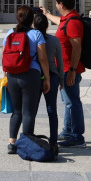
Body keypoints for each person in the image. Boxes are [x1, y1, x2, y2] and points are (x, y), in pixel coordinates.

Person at [4, 5, 51, 155]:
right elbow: (43, 59)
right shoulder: (36, 34)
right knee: (28, 112)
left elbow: (4, 57)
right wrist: (47, 79)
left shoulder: (9, 33)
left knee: (16, 111)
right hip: (31, 75)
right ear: (32, 19)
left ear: (17, 18)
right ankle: (26, 142)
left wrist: (6, 76)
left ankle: (12, 143)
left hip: (12, 75)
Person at [55, 0, 87, 148]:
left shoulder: (73, 21)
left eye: (56, 3)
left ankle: (77, 136)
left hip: (69, 69)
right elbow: (59, 22)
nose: (56, 5)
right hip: (65, 68)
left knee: (73, 102)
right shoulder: (66, 19)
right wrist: (46, 14)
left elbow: (77, 47)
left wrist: (73, 71)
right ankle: (67, 131)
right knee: (67, 102)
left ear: (61, 4)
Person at [33, 10, 63, 160]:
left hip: (35, 78)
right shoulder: (54, 40)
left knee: (31, 111)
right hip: (52, 76)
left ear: (34, 26)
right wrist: (62, 79)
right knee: (52, 111)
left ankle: (30, 138)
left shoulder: (31, 39)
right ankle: (53, 143)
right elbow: (60, 63)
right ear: (47, 26)